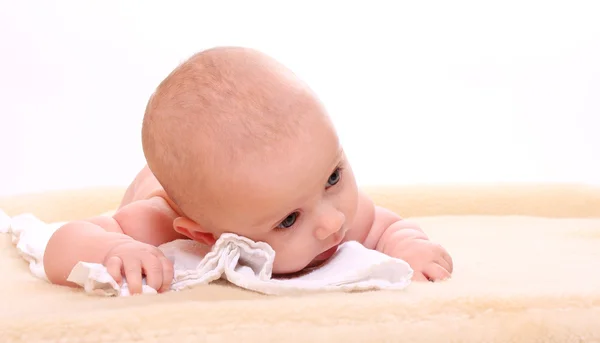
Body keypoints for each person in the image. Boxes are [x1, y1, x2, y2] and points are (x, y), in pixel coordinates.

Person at [43, 46, 453, 294]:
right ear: (205, 236)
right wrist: (115, 250)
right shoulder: (158, 224)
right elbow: (61, 245)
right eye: (288, 219)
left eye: (333, 176)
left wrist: (408, 246)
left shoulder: (333, 211)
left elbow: (386, 226)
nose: (332, 222)